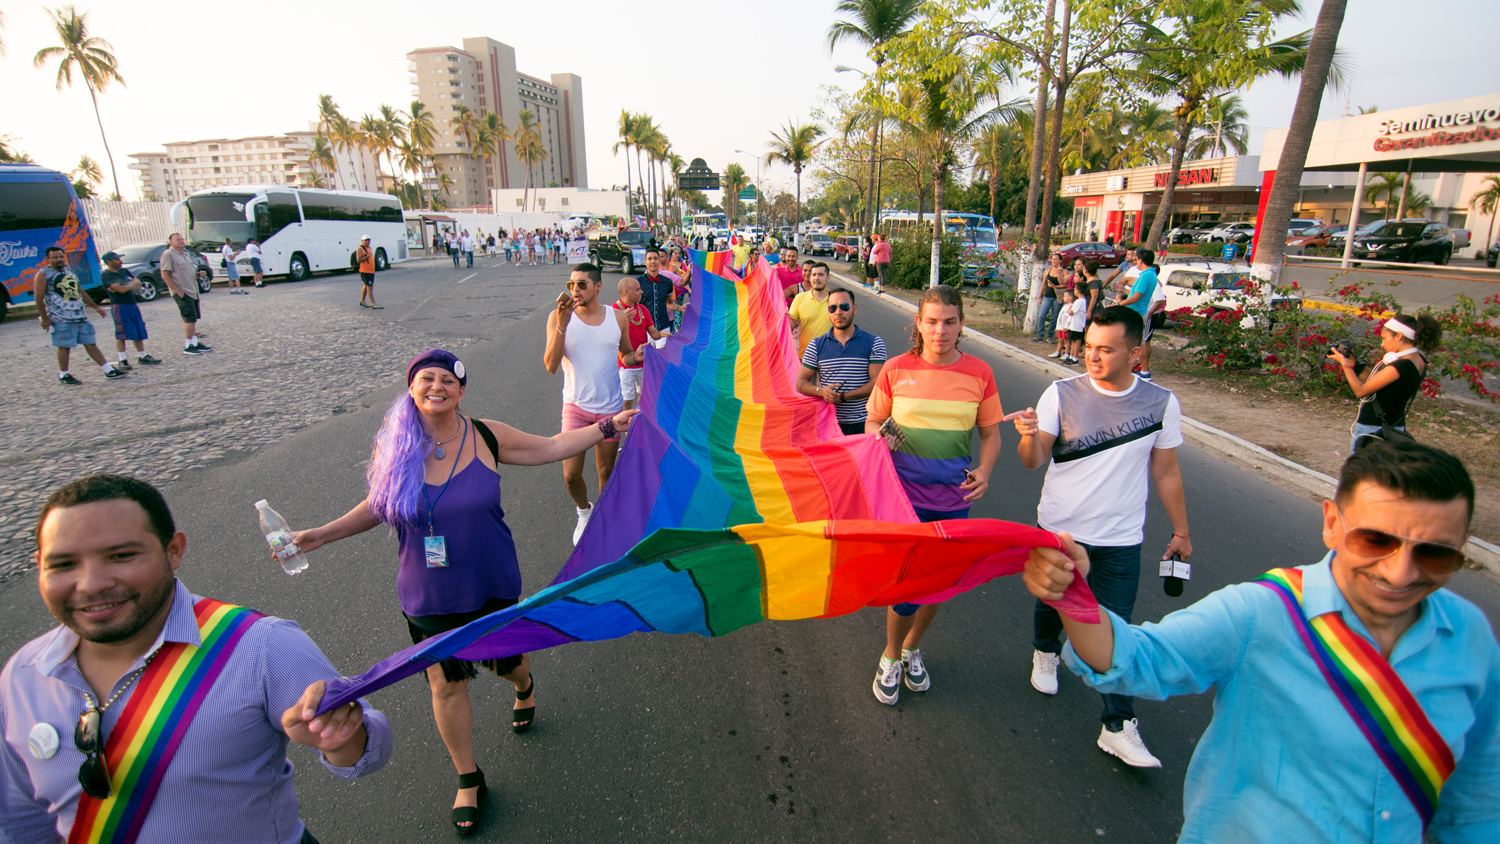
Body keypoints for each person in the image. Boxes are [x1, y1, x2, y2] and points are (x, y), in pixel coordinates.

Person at [1022, 442, 1498, 840]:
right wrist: (1075, 598)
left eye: (1436, 554)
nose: (1400, 572)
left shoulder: (1470, 633)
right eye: (1374, 541)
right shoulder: (1262, 611)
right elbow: (1138, 660)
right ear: (1332, 522)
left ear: (1464, 543)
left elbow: (1477, 791)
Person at [287, 351, 634, 836]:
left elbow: (549, 446)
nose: (436, 386)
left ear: (461, 390)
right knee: (445, 684)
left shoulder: (485, 435)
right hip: (429, 595)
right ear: (411, 388)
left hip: (491, 582)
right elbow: (377, 505)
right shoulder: (399, 447)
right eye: (425, 378)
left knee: (510, 663)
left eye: (446, 379)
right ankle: (468, 777)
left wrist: (606, 428)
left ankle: (524, 687)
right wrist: (323, 533)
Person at [2, 474, 392, 843]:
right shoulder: (23, 675)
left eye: (120, 556)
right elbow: (20, 818)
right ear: (39, 565)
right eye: (63, 564)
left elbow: (370, 748)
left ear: (174, 551)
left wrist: (340, 740)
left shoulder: (260, 645)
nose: (91, 583)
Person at [1008, 305, 1191, 768]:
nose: (1093, 357)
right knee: (1052, 604)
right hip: (1060, 531)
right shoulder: (1061, 393)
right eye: (1088, 347)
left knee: (1116, 630)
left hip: (1122, 538)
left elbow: (1166, 472)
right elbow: (1033, 460)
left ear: (1136, 352)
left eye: (1106, 350)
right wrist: (1028, 436)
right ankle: (1045, 652)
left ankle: (1118, 725)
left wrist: (1182, 531)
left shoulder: (1160, 403)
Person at [865, 285, 1005, 705]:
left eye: (949, 321)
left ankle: (912, 648)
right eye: (931, 321)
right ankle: (890, 654)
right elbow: (873, 422)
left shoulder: (980, 373)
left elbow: (991, 434)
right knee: (907, 583)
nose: (940, 330)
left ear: (961, 324)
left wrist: (984, 470)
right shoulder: (894, 370)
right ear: (918, 324)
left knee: (939, 584)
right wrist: (879, 440)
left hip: (953, 501)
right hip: (901, 498)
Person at [545, 263, 641, 545]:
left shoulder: (618, 318)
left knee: (605, 470)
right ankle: (584, 511)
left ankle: (604, 517)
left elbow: (625, 356)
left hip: (610, 408)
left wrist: (641, 355)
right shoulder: (557, 318)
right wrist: (562, 325)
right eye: (570, 284)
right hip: (574, 407)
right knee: (571, 474)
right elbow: (550, 366)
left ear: (598, 287)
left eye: (582, 284)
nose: (575, 290)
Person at [1329, 313, 1442, 455]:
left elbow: (1360, 391)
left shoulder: (1401, 365)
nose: (1382, 344)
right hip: (1393, 426)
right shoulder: (1418, 361)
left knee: (1361, 474)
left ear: (1399, 336)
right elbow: (1379, 381)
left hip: (1374, 429)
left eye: (1384, 338)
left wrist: (1344, 364)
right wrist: (1355, 365)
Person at [796, 287, 887, 436]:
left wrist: (845, 396)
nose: (838, 312)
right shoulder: (816, 345)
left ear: (854, 308)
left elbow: (878, 383)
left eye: (844, 306)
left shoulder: (874, 342)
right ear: (828, 312)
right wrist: (821, 391)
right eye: (832, 308)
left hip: (864, 424)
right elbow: (800, 382)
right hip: (827, 425)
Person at [34, 247, 126, 384]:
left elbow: (80, 291)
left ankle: (108, 370)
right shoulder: (43, 274)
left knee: (90, 343)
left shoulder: (70, 272)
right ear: (47, 259)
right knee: (64, 345)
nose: (59, 259)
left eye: (60, 256)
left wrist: (95, 307)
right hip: (60, 317)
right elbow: (38, 296)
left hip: (79, 315)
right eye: (54, 257)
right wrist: (44, 317)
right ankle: (64, 375)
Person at [100, 251, 162, 369]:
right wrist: (128, 286)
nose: (119, 261)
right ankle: (122, 359)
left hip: (132, 304)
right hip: (120, 305)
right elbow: (121, 290)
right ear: (109, 261)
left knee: (138, 329)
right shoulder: (107, 275)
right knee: (121, 332)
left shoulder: (123, 271)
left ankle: (142, 355)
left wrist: (126, 286)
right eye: (116, 259)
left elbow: (138, 283)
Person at [612, 275, 664, 411]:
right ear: (626, 293)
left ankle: (638, 424)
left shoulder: (643, 310)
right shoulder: (613, 311)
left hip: (643, 362)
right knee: (626, 401)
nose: (642, 292)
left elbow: (654, 333)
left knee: (643, 397)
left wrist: (663, 334)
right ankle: (624, 429)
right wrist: (620, 320)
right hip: (624, 365)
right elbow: (605, 337)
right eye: (638, 289)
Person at [161, 234, 211, 355]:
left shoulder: (185, 254)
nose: (181, 241)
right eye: (177, 240)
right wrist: (177, 290)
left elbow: (188, 272)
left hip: (192, 290)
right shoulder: (168, 254)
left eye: (182, 239)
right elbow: (165, 274)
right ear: (171, 242)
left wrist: (199, 274)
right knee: (188, 318)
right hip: (182, 291)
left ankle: (195, 342)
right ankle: (188, 345)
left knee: (193, 318)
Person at [788, 262, 834, 358]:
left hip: (830, 358)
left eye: (821, 275)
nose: (816, 278)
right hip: (805, 357)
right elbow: (791, 324)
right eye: (814, 275)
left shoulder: (835, 299)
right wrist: (785, 319)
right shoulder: (799, 298)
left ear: (828, 278)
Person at [637, 249, 676, 337]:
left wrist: (681, 308)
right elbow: (634, 305)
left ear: (659, 261)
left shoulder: (667, 282)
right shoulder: (638, 282)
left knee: (662, 351)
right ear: (645, 262)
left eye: (655, 258)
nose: (653, 261)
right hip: (644, 329)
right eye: (649, 259)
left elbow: (669, 303)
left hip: (664, 327)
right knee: (645, 351)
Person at [1033, 253, 1065, 343]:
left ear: (1060, 261)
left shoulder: (1063, 271)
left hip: (1057, 297)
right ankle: (1040, 335)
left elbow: (1065, 284)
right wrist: (1039, 296)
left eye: (1056, 259)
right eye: (1052, 259)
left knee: (1054, 317)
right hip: (1047, 296)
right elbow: (1043, 284)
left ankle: (1050, 335)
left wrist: (1055, 286)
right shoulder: (1048, 271)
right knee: (1042, 316)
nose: (1053, 261)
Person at [1049, 289, 1081, 364]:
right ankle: (1058, 351)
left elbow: (1068, 317)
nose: (1063, 298)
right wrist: (1058, 327)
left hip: (1065, 328)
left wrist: (1065, 326)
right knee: (1060, 340)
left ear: (1070, 297)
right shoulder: (1065, 305)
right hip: (1060, 327)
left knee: (1067, 341)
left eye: (1065, 296)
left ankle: (1067, 353)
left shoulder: (1071, 306)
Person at [356, 235, 382, 309]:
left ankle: (362, 301)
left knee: (366, 285)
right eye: (366, 240)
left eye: (368, 240)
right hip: (365, 271)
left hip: (370, 271)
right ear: (362, 241)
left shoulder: (368, 248)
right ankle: (373, 303)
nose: (367, 242)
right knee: (370, 287)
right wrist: (367, 256)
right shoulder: (360, 248)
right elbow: (358, 259)